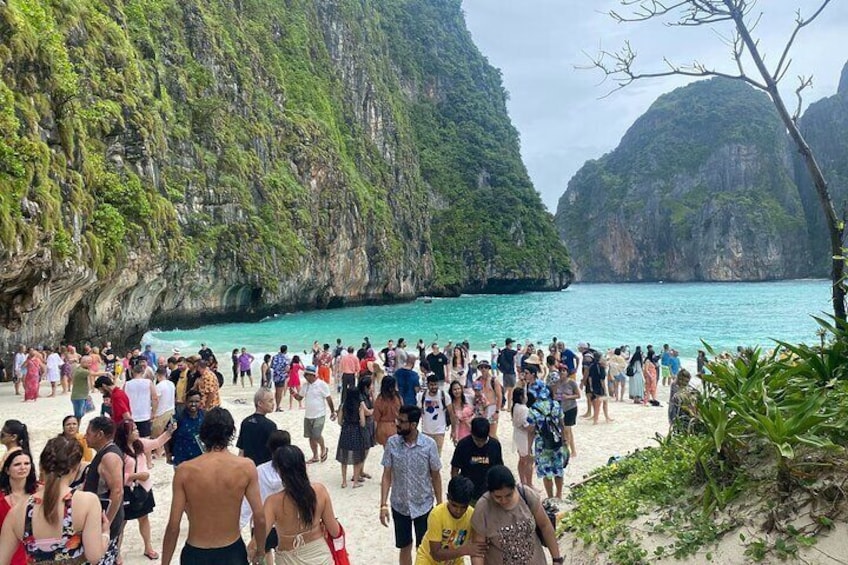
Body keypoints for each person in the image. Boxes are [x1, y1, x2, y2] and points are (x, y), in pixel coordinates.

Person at [162, 407, 266, 565]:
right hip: (232, 551)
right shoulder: (246, 467)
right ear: (231, 433)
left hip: (196, 552)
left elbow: (173, 525)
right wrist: (260, 551)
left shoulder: (185, 471)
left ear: (202, 433)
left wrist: (165, 563)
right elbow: (259, 517)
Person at [0, 437, 109, 565]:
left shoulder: (17, 511)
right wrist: (105, 534)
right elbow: (94, 556)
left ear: (41, 466)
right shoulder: (88, 502)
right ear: (75, 469)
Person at [380, 405, 443, 565]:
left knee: (423, 548)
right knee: (404, 546)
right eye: (397, 419)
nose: (397, 423)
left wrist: (440, 504)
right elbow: (387, 475)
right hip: (399, 505)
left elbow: (436, 476)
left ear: (413, 425)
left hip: (424, 505)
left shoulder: (429, 445)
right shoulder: (392, 443)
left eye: (401, 421)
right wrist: (383, 504)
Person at [469, 465, 563, 565]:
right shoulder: (483, 508)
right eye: (498, 497)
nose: (504, 501)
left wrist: (556, 559)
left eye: (508, 495)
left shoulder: (526, 495)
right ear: (490, 492)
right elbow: (478, 551)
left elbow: (545, 526)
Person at [262, 445, 340, 565]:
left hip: (288, 559)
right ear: (303, 465)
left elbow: (260, 539)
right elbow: (335, 531)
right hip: (320, 556)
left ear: (278, 470)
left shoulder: (272, 502)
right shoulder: (320, 491)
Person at [115, 419, 174, 560]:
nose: (137, 431)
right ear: (125, 434)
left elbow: (157, 443)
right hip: (128, 490)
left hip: (143, 489)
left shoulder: (140, 444)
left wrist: (169, 431)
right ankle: (116, 553)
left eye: (136, 428)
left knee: (144, 518)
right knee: (121, 523)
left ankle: (148, 547)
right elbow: (115, 475)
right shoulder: (118, 451)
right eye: (133, 429)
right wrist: (135, 476)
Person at [240, 430, 291, 565]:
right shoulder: (293, 470)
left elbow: (248, 500)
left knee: (264, 554)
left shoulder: (260, 471)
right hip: (285, 521)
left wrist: (239, 524)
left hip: (262, 522)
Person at [83, 416, 125, 564]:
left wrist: (106, 523)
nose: (85, 436)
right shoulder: (104, 453)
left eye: (88, 433)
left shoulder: (109, 457)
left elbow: (117, 491)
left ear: (99, 434)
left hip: (104, 521)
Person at [415, 476, 485, 565]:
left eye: (463, 507)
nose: (458, 511)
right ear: (448, 497)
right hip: (428, 561)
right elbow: (435, 554)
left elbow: (479, 545)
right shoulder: (437, 515)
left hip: (454, 561)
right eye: (454, 505)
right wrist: (465, 550)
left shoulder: (472, 515)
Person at [526, 381, 568, 500]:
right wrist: (564, 440)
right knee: (558, 469)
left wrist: (529, 448)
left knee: (547, 471)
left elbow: (531, 431)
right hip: (557, 440)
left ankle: (550, 497)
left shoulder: (533, 409)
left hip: (542, 443)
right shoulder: (555, 404)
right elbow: (562, 424)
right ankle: (559, 494)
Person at [450, 417, 504, 504]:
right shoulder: (463, 445)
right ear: (471, 433)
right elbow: (455, 469)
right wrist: (456, 489)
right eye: (477, 440)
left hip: (488, 493)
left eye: (483, 441)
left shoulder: (495, 445)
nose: (480, 444)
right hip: (467, 492)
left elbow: (499, 469)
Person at [0, 449, 38, 565]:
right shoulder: (1, 498)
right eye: (17, 464)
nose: (23, 467)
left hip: (36, 555)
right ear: (7, 470)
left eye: (27, 463)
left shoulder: (40, 492)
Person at [292, 366, 336, 463]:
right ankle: (315, 456)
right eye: (305, 375)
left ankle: (323, 448)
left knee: (316, 434)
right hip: (308, 415)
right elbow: (300, 398)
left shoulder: (322, 385)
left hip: (320, 414)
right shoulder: (305, 385)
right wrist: (293, 394)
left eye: (307, 375)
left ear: (312, 375)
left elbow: (329, 399)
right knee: (310, 437)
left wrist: (333, 412)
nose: (305, 377)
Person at [336, 377, 373, 488]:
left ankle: (344, 482)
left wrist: (345, 424)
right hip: (356, 430)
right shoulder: (360, 406)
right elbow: (362, 422)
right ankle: (355, 482)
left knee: (344, 457)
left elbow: (339, 421)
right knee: (358, 457)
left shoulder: (343, 405)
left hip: (346, 430)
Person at [237, 388, 278, 467]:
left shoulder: (245, 422)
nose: (273, 404)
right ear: (260, 403)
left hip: (248, 466)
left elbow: (241, 451)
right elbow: (275, 452)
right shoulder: (270, 425)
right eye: (270, 401)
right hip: (264, 466)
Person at [417, 374, 449, 456]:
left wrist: (454, 430)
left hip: (439, 431)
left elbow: (451, 412)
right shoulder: (422, 396)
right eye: (431, 384)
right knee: (425, 455)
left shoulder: (444, 395)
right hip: (426, 431)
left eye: (435, 384)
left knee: (437, 456)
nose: (434, 387)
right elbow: (418, 413)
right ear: (427, 385)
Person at [171, 390, 205, 466]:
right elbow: (168, 435)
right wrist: (168, 454)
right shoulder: (178, 416)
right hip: (181, 459)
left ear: (200, 402)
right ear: (186, 402)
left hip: (200, 459)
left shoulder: (205, 417)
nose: (193, 404)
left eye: (197, 401)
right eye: (191, 401)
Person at [125, 363, 158, 438]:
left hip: (131, 416)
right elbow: (155, 398)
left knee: (131, 440)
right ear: (143, 372)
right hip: (145, 415)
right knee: (146, 440)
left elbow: (123, 400)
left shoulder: (127, 384)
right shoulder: (148, 382)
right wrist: (153, 412)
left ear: (132, 372)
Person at [510, 388, 534, 486]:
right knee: (529, 460)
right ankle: (529, 484)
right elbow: (526, 425)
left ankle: (522, 481)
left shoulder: (515, 407)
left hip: (517, 435)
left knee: (522, 459)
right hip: (524, 436)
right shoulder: (524, 409)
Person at [475, 360, 502, 438]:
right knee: (482, 433)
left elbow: (499, 396)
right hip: (481, 409)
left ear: (488, 368)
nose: (483, 369)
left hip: (492, 408)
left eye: (486, 367)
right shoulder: (478, 381)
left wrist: (497, 411)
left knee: (492, 433)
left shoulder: (494, 381)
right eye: (481, 367)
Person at [373, 375, 402, 446]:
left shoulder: (380, 399)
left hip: (382, 427)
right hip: (395, 425)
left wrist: (374, 432)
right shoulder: (397, 397)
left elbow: (376, 417)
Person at [588, 351, 613, 424]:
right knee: (599, 404)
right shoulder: (601, 368)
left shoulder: (592, 366)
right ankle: (596, 420)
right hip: (599, 387)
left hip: (594, 386)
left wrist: (591, 386)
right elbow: (602, 381)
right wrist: (605, 390)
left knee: (602, 402)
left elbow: (590, 378)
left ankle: (606, 417)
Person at [447, 380, 473, 445]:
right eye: (455, 389)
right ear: (451, 391)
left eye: (458, 389)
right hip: (459, 432)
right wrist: (453, 432)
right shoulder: (450, 404)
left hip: (472, 429)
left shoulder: (469, 398)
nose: (457, 391)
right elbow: (452, 420)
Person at [496, 339, 518, 409]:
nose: (512, 345)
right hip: (511, 373)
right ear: (509, 344)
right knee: (511, 391)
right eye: (512, 343)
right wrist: (526, 345)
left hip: (505, 373)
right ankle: (508, 407)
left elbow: (498, 362)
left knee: (505, 390)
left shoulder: (502, 351)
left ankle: (501, 405)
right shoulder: (511, 352)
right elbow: (521, 352)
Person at [270, 345, 290, 412]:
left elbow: (271, 366)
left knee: (276, 391)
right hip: (281, 376)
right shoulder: (285, 358)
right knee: (279, 393)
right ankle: (277, 407)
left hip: (275, 376)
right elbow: (287, 368)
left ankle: (277, 406)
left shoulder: (275, 357)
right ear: (286, 350)